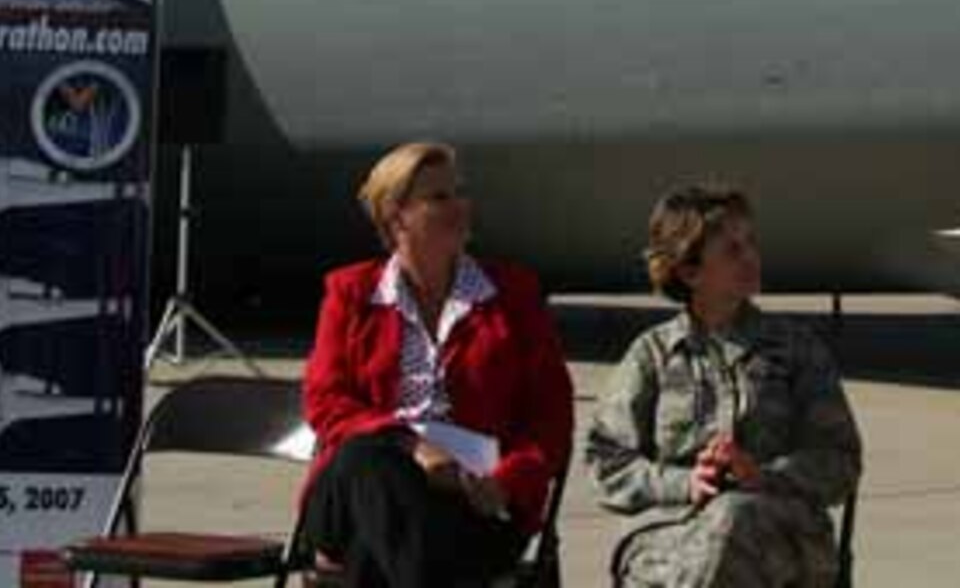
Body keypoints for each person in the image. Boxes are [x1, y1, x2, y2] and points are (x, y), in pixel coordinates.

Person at [301, 141, 574, 588]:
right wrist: (412, 447)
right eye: (439, 197)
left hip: (472, 500)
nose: (459, 206)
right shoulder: (350, 292)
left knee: (379, 549)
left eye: (460, 192)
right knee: (369, 458)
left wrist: (504, 483)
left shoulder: (512, 293)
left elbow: (551, 417)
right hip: (350, 494)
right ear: (396, 215)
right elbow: (326, 401)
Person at [586, 184, 862, 588]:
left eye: (750, 242)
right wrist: (685, 482)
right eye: (732, 250)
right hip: (671, 537)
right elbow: (606, 461)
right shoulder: (653, 355)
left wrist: (762, 475)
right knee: (717, 542)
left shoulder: (796, 349)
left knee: (732, 520)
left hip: (783, 537)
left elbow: (840, 460)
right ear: (689, 270)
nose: (750, 256)